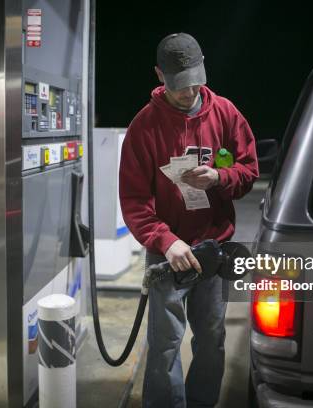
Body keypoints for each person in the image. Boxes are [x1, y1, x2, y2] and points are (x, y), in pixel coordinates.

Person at [119, 32, 259, 408]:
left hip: (214, 250)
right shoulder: (144, 128)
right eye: (180, 84)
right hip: (170, 255)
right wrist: (166, 241)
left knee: (211, 340)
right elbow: (134, 201)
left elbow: (247, 172)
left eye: (196, 79)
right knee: (164, 345)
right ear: (159, 75)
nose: (190, 90)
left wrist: (220, 177)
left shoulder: (227, 114)